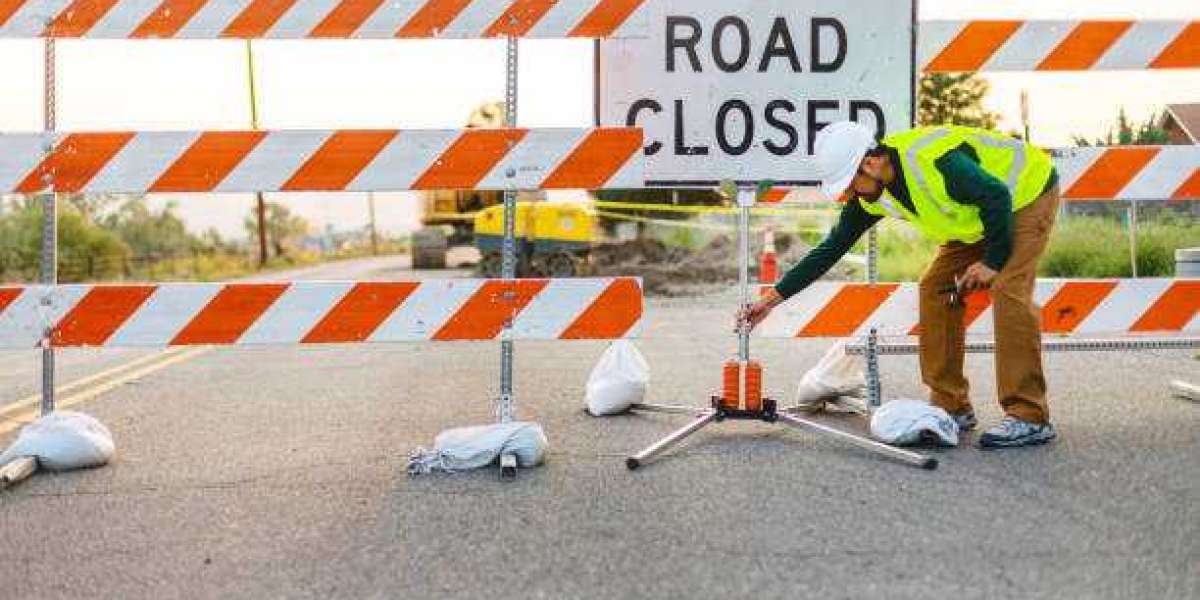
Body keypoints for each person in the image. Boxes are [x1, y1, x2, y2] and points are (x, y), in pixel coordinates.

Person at [741, 121, 1061, 449]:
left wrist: (993, 261)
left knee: (1008, 290)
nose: (848, 194)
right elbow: (830, 250)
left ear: (871, 163)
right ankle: (950, 406)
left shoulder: (935, 163)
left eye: (850, 184)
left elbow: (995, 195)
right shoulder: (870, 195)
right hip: (978, 217)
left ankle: (1028, 415)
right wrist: (770, 300)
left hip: (1025, 194)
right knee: (935, 287)